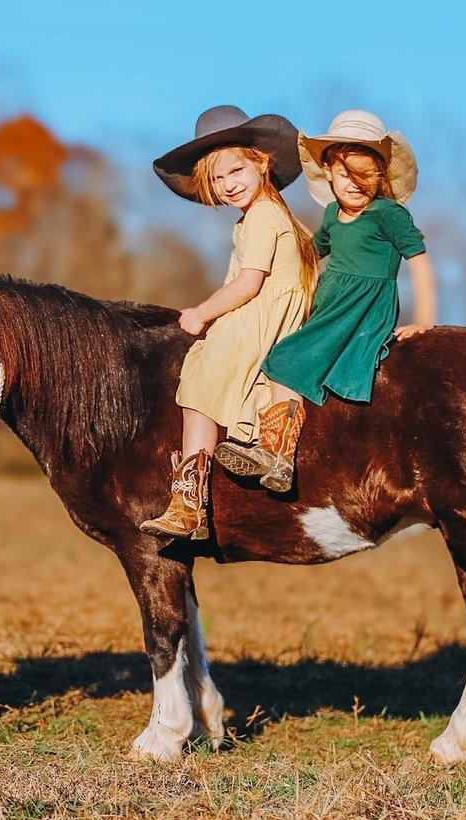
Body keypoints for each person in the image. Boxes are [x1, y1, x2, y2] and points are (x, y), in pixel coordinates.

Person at [214, 110, 437, 492]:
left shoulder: (389, 214)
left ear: (380, 176)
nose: (353, 183)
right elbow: (309, 252)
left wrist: (426, 320)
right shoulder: (332, 215)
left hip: (359, 309)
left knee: (285, 359)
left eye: (364, 175)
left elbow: (419, 262)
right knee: (276, 350)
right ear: (328, 173)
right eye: (344, 174)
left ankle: (276, 455)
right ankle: (264, 442)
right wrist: (275, 217)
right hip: (327, 302)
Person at [140, 105, 318, 540]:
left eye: (235, 170)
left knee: (197, 380)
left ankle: (189, 503)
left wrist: (201, 313)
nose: (227, 185)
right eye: (217, 180)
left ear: (261, 163)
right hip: (275, 321)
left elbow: (248, 284)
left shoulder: (262, 215)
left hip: (255, 318)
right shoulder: (274, 215)